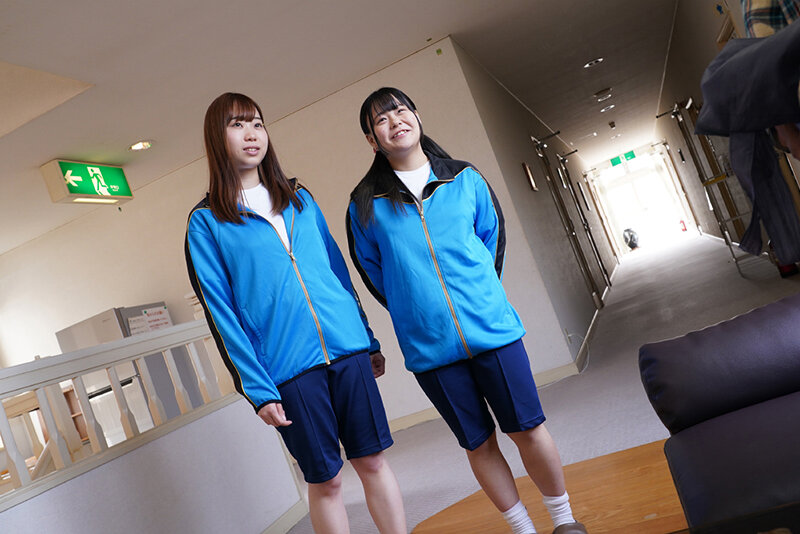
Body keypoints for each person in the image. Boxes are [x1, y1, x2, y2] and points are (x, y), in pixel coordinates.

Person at [346, 87, 587, 534]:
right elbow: (375, 273)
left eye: (401, 110)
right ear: (371, 139)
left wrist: (478, 295)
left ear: (417, 115)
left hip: (492, 330)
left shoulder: (464, 177)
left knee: (528, 428)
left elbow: (491, 239)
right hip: (430, 349)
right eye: (381, 119)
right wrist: (416, 306)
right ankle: (523, 529)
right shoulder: (365, 203)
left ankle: (564, 520)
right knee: (478, 444)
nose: (395, 121)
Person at [185, 92, 406, 534]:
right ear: (216, 137)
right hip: (288, 368)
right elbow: (221, 315)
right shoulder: (206, 222)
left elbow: (337, 272)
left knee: (373, 461)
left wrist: (368, 339)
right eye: (237, 125)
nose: (251, 134)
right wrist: (258, 390)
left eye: (257, 123)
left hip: (347, 348)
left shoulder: (299, 198)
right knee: (325, 481)